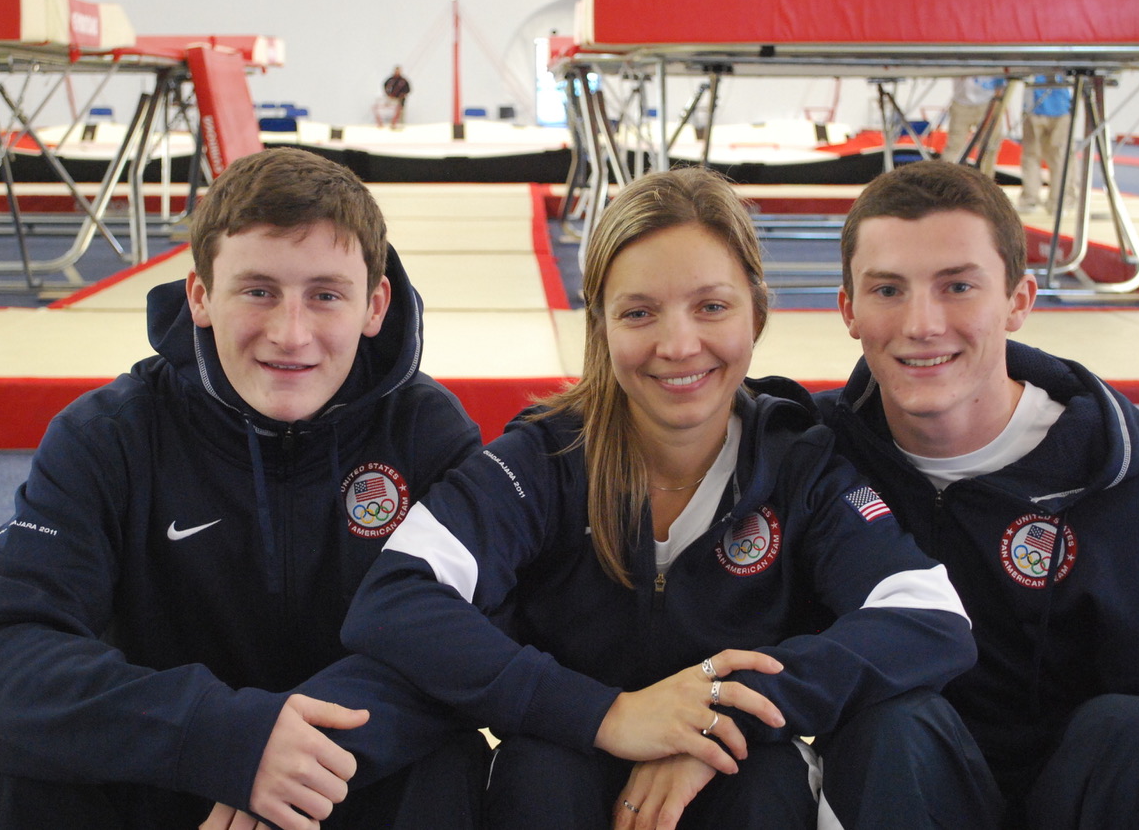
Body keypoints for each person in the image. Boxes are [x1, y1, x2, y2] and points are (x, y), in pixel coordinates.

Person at [342, 166, 999, 830]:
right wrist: (608, 715)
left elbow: (928, 615)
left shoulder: (798, 463)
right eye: (639, 312)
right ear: (599, 324)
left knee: (767, 775)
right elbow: (397, 597)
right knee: (538, 767)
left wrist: (715, 713)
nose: (678, 344)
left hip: (737, 782)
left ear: (757, 313)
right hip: (564, 777)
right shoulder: (546, 461)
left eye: (711, 306)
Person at [0, 147, 487, 829]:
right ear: (200, 295)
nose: (291, 334)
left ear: (375, 304)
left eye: (325, 294)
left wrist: (289, 760)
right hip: (158, 762)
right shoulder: (109, 435)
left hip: (341, 777)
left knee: (449, 764)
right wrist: (220, 737)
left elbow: (472, 638)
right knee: (11, 757)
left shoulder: (425, 435)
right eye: (258, 290)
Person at [818, 159, 1139, 828]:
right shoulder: (822, 464)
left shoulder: (1112, 484)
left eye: (958, 286)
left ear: (1020, 301)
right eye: (888, 290)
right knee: (893, 720)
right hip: (909, 786)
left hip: (1085, 797)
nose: (922, 322)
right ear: (849, 311)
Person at [1017, 74, 1075, 214]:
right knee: (1058, 159)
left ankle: (1031, 201)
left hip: (1038, 108)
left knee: (1033, 157)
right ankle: (1057, 202)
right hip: (1058, 107)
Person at [941, 76, 1006, 179]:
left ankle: (987, 183)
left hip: (988, 101)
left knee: (989, 147)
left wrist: (1000, 90)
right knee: (954, 146)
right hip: (962, 102)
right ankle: (948, 181)